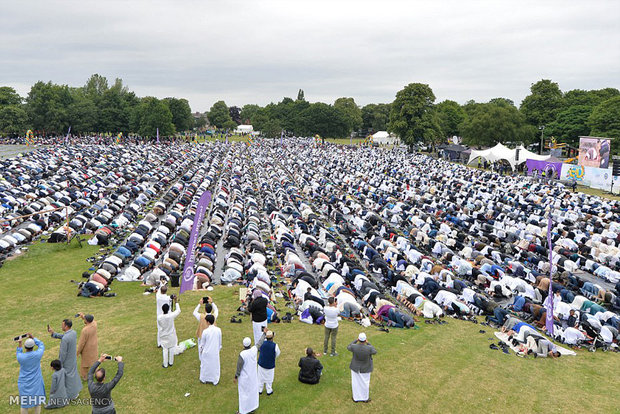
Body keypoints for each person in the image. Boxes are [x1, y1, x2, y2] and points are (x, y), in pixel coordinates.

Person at [48, 319, 82, 399]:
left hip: (67, 362)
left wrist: (59, 365)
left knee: (68, 379)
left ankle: (71, 395)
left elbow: (62, 354)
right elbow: (64, 336)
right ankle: (75, 392)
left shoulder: (65, 339)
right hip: (72, 359)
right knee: (73, 376)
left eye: (62, 325)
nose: (61, 326)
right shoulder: (73, 332)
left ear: (66, 326)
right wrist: (53, 333)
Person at [16, 334, 46, 413]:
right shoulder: (37, 355)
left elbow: (19, 351)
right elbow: (41, 345)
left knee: (24, 403)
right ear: (33, 347)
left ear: (25, 347)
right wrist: (33, 338)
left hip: (24, 382)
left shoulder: (21, 357)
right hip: (36, 381)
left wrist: (19, 343)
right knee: (37, 401)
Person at [347, 332, 377, 403]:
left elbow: (348, 346)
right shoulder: (369, 348)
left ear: (359, 339)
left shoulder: (354, 347)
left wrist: (355, 340)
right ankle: (365, 398)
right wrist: (368, 343)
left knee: (355, 383)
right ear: (365, 340)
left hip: (355, 367)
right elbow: (375, 351)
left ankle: (356, 398)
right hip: (366, 367)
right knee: (365, 383)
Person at [234, 337, 260, 414]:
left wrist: (236, 376)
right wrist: (264, 334)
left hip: (244, 378)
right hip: (253, 376)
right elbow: (259, 343)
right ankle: (252, 407)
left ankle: (243, 411)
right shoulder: (254, 350)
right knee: (252, 392)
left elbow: (239, 366)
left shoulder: (242, 354)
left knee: (244, 394)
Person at [157, 296, 181, 368]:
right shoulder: (171, 316)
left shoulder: (159, 317)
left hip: (163, 334)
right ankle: (170, 362)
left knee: (165, 349)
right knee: (171, 348)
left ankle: (165, 364)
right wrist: (176, 302)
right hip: (171, 334)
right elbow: (178, 311)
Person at [199, 314, 222, 385]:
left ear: (208, 322)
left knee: (205, 365)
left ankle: (204, 378)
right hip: (215, 351)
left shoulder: (205, 331)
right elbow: (220, 341)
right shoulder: (218, 330)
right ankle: (215, 380)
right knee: (215, 366)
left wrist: (201, 350)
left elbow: (202, 343)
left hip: (207, 351)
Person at [257, 330, 280, 395]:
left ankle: (259, 389)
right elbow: (277, 354)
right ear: (272, 338)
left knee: (260, 378)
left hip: (261, 363)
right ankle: (269, 390)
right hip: (270, 364)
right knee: (269, 379)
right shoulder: (275, 346)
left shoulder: (262, 343)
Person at [76, 313, 98, 381]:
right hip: (94, 347)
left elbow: (81, 343)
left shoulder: (85, 330)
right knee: (95, 361)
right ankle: (97, 373)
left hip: (87, 349)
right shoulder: (94, 324)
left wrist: (77, 353)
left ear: (86, 321)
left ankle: (85, 377)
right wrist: (83, 316)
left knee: (85, 364)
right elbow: (92, 320)